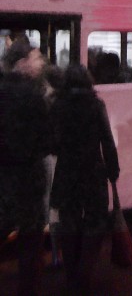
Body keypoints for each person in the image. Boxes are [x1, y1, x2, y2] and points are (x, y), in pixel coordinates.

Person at [50, 64, 120, 293]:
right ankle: (84, 274)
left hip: (67, 171)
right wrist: (113, 169)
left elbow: (52, 143)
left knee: (68, 221)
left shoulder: (57, 106)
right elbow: (107, 141)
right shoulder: (96, 105)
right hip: (93, 170)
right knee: (95, 222)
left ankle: (72, 275)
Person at [0, 39, 51, 296]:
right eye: (35, 57)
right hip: (29, 180)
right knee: (30, 246)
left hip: (4, 179)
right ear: (21, 64)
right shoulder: (34, 95)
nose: (40, 61)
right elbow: (48, 140)